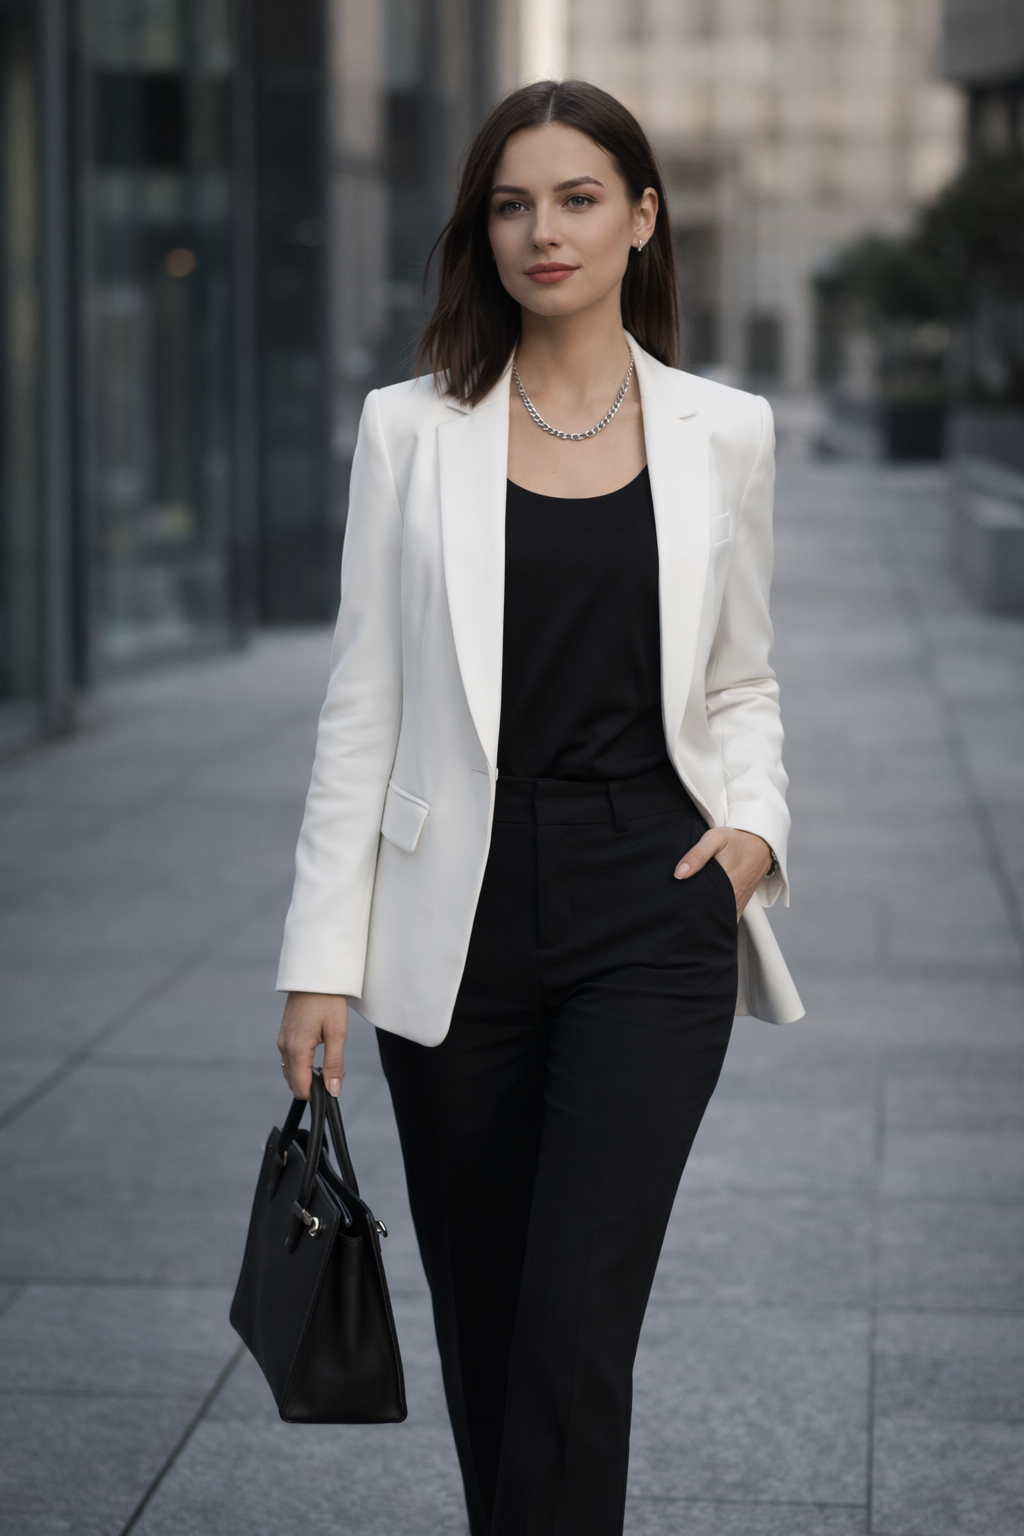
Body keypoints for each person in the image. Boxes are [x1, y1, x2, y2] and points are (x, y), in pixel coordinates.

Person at [276, 77, 803, 1536]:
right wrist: (319, 957)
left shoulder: (725, 432)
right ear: (482, 229)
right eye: (513, 203)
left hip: (655, 898)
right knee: (492, 1324)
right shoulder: (408, 431)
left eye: (577, 199)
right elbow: (360, 710)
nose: (543, 231)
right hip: (459, 919)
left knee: (576, 1324)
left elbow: (743, 680)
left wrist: (751, 837)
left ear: (642, 217)